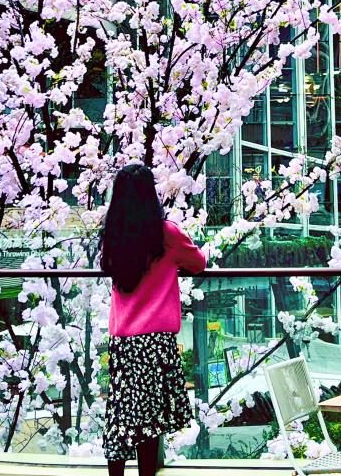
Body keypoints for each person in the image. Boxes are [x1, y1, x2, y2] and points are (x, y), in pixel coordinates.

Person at [99, 163, 207, 476]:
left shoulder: (113, 236)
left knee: (120, 417)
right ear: (151, 197)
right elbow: (198, 263)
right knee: (150, 422)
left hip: (123, 342)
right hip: (156, 342)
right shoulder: (166, 234)